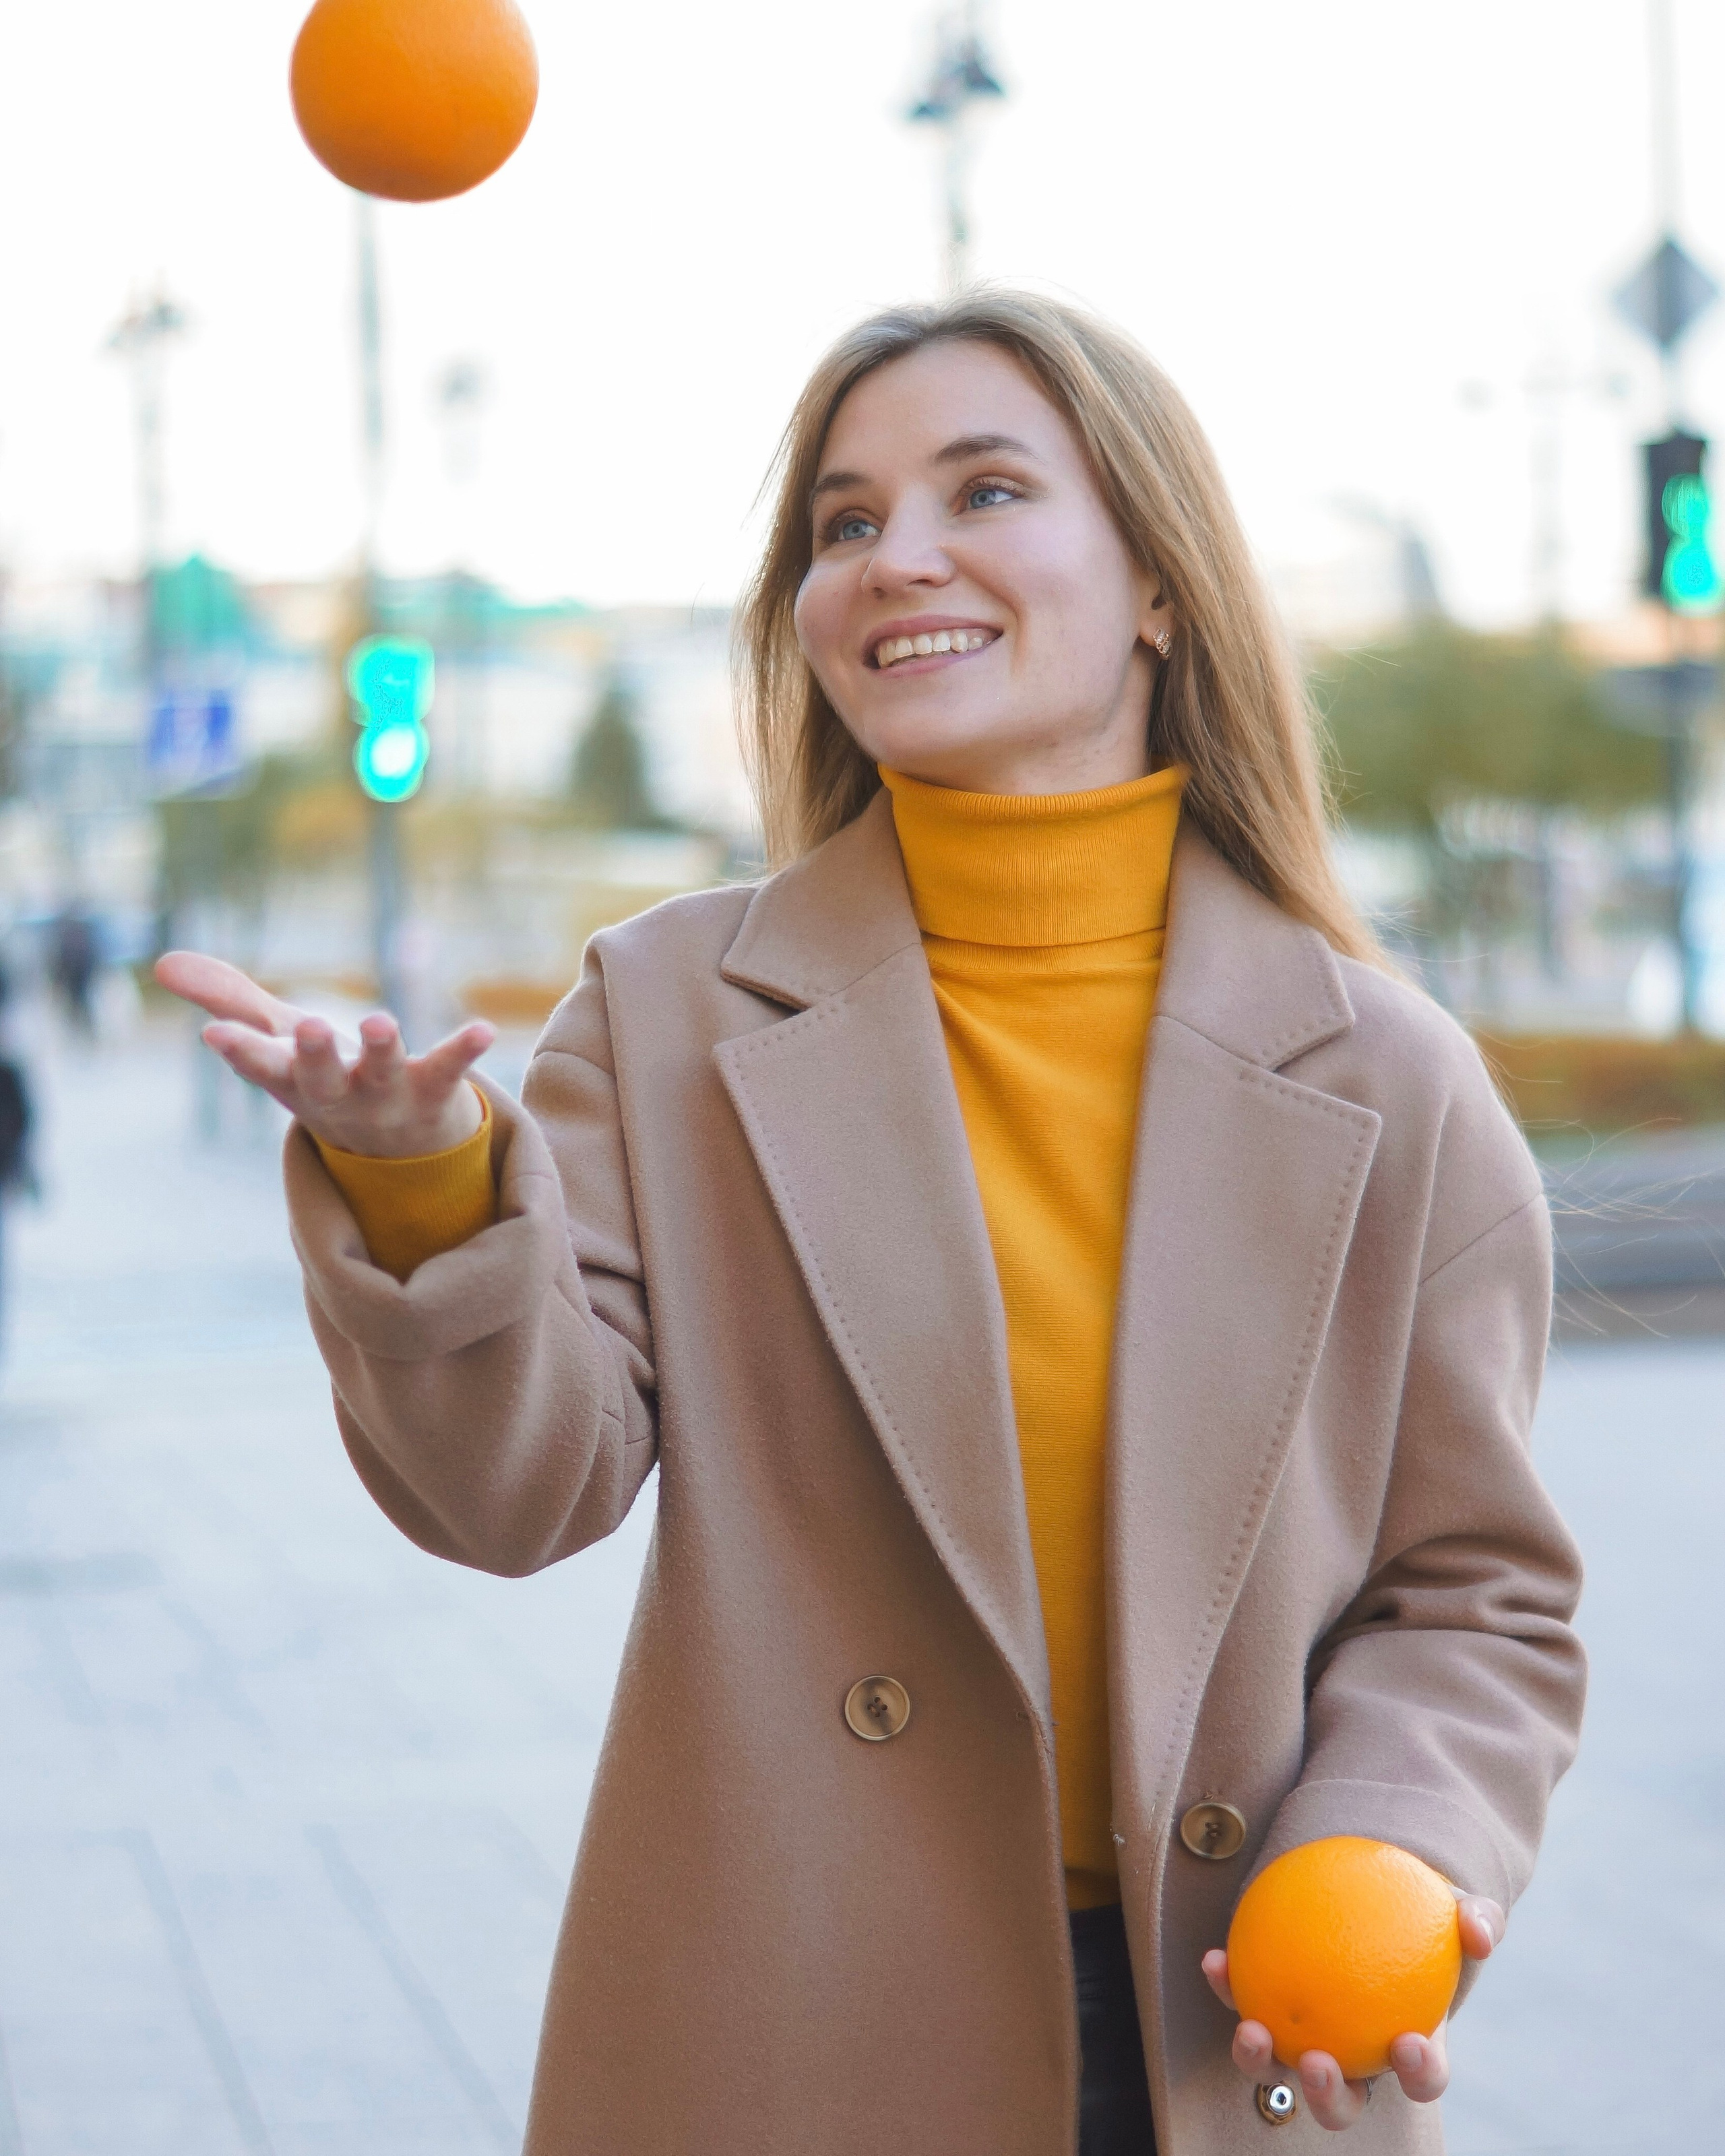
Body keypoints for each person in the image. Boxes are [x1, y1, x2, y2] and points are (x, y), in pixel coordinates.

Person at [158, 291, 1584, 2156]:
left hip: (1233, 2037)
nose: (895, 556)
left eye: (984, 491)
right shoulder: (665, 1014)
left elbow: (1474, 1591)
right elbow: (515, 1496)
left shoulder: (1395, 1078)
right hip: (787, 2035)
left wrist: (1396, 1832)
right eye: (844, 522)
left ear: (1161, 583)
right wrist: (423, 1183)